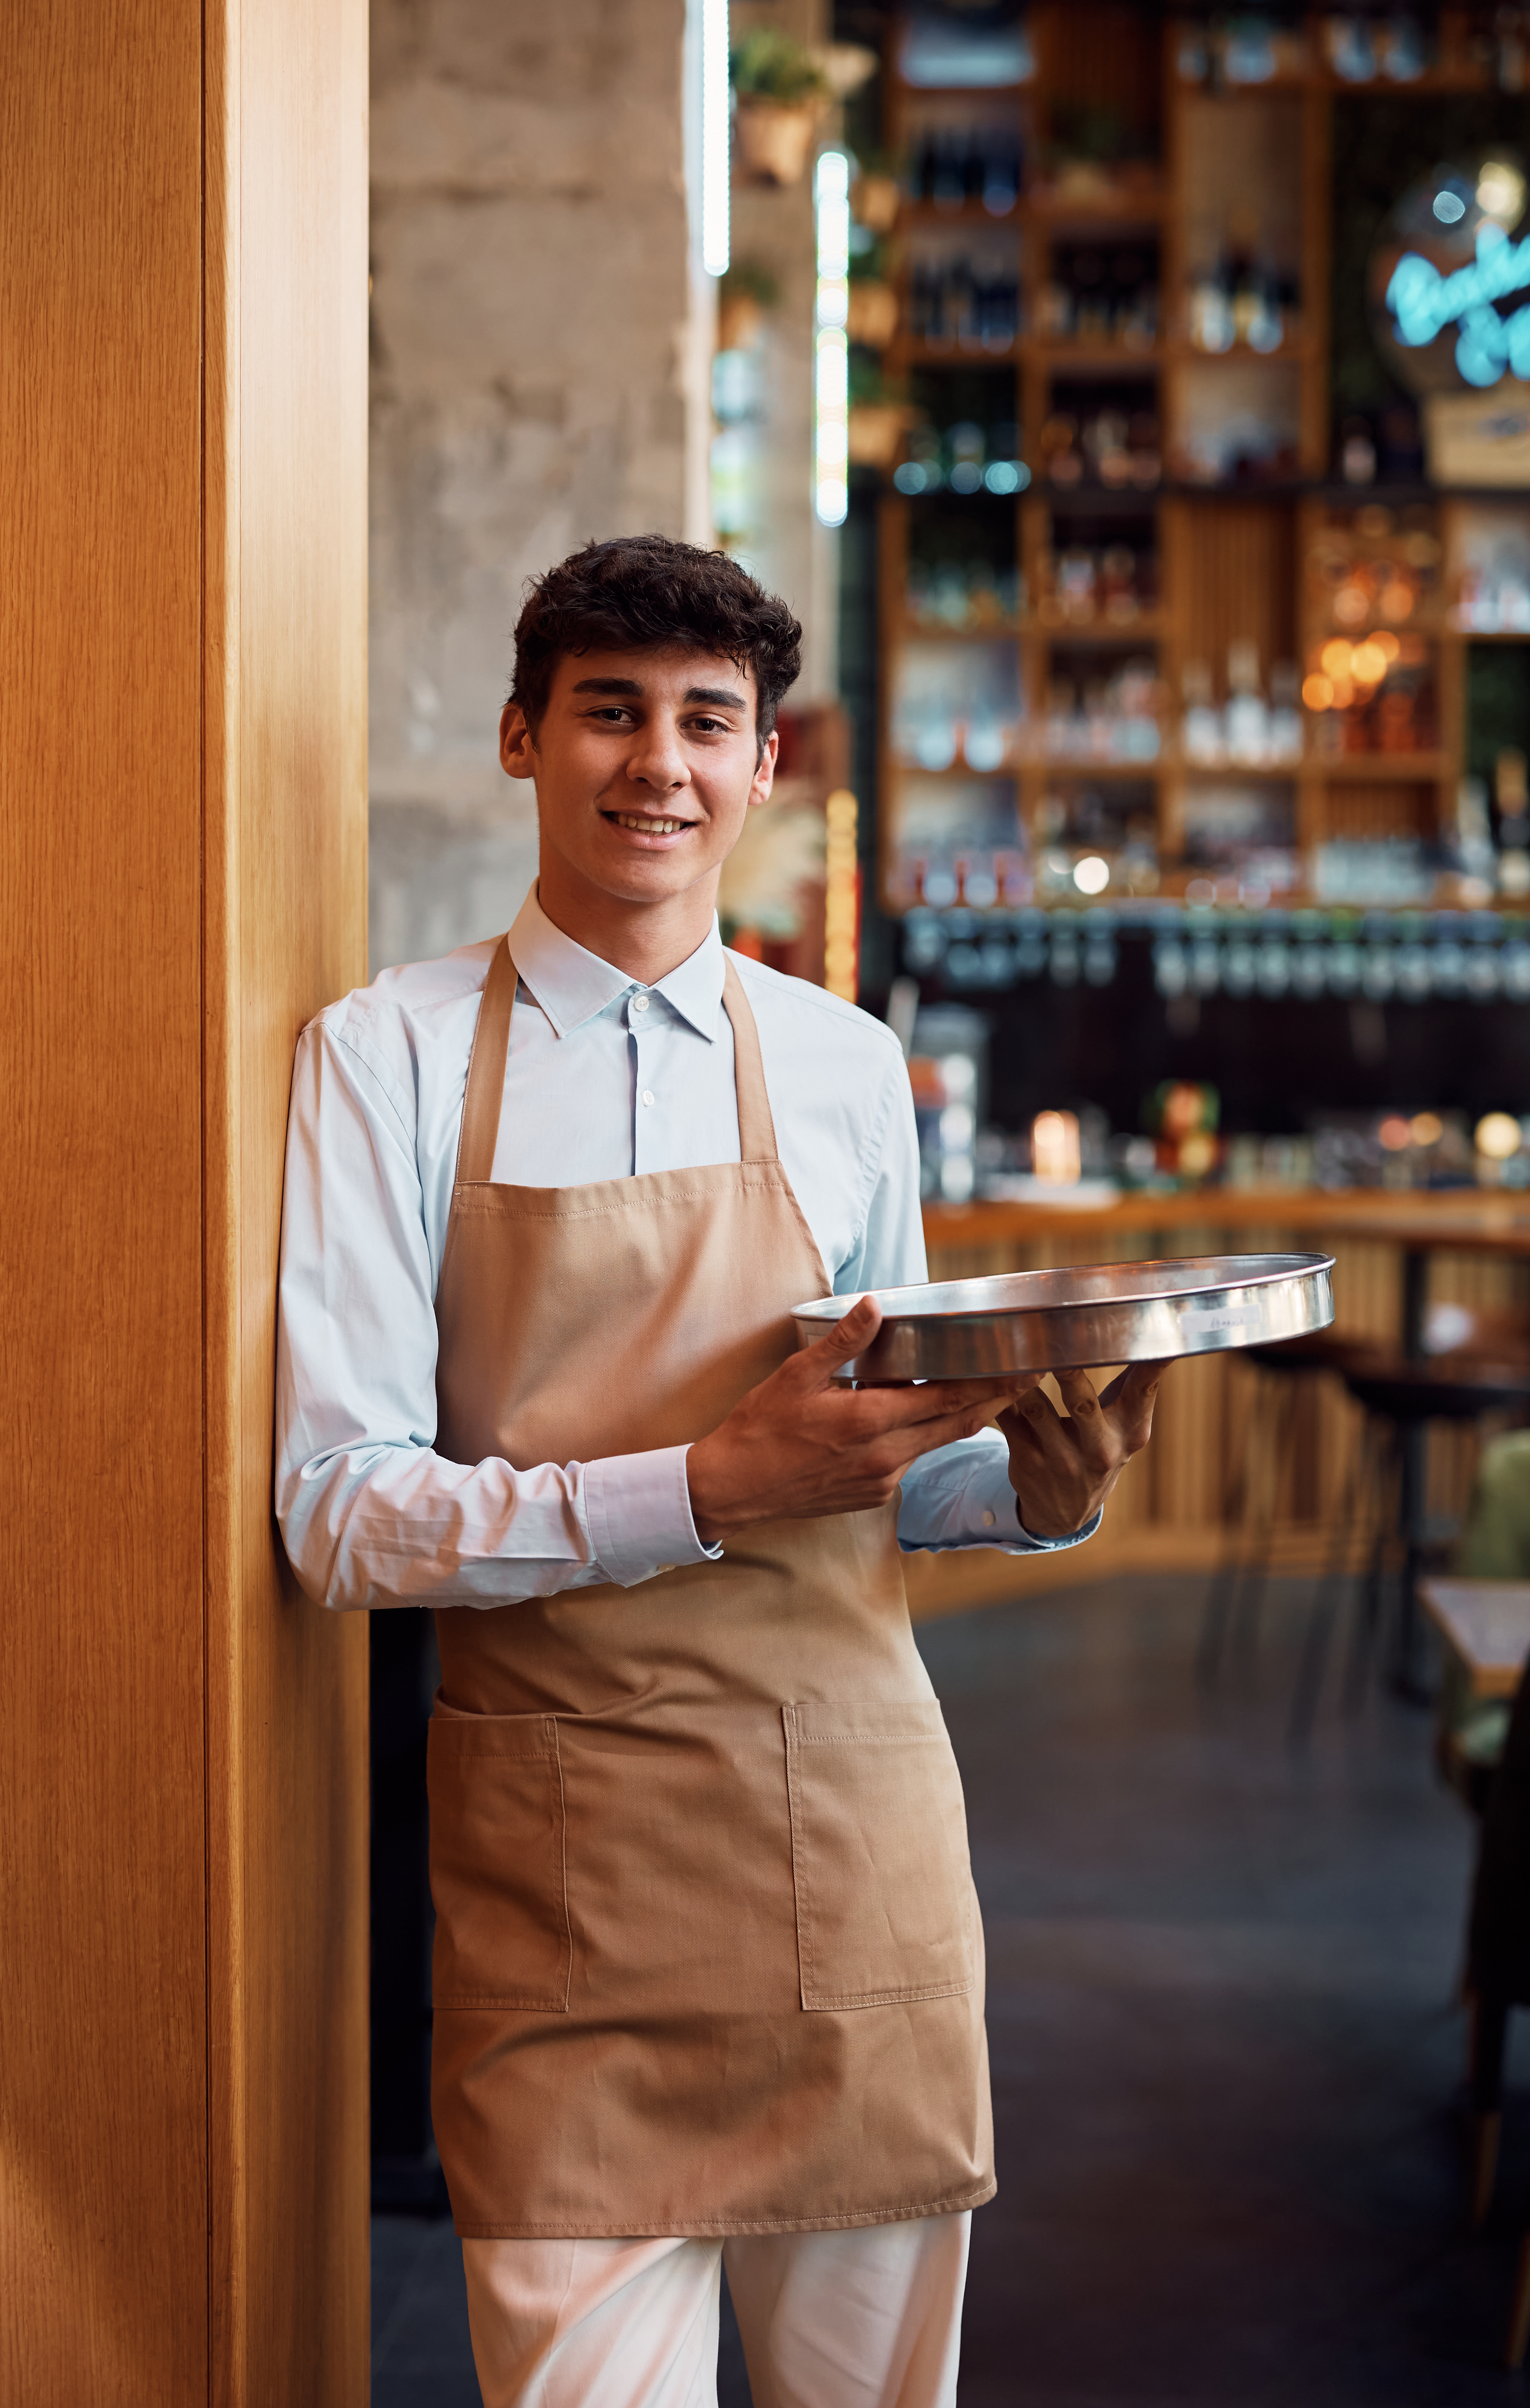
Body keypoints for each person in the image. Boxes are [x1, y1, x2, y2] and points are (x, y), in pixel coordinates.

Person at [275, 535, 1165, 2408]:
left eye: (706, 722)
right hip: (562, 1873)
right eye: (608, 710)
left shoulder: (846, 1071)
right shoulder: (385, 1057)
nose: (656, 763)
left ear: (767, 767)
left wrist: (1032, 1481)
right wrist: (696, 1482)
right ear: (522, 737)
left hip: (854, 1844)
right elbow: (340, 1507)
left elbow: (863, 1463)